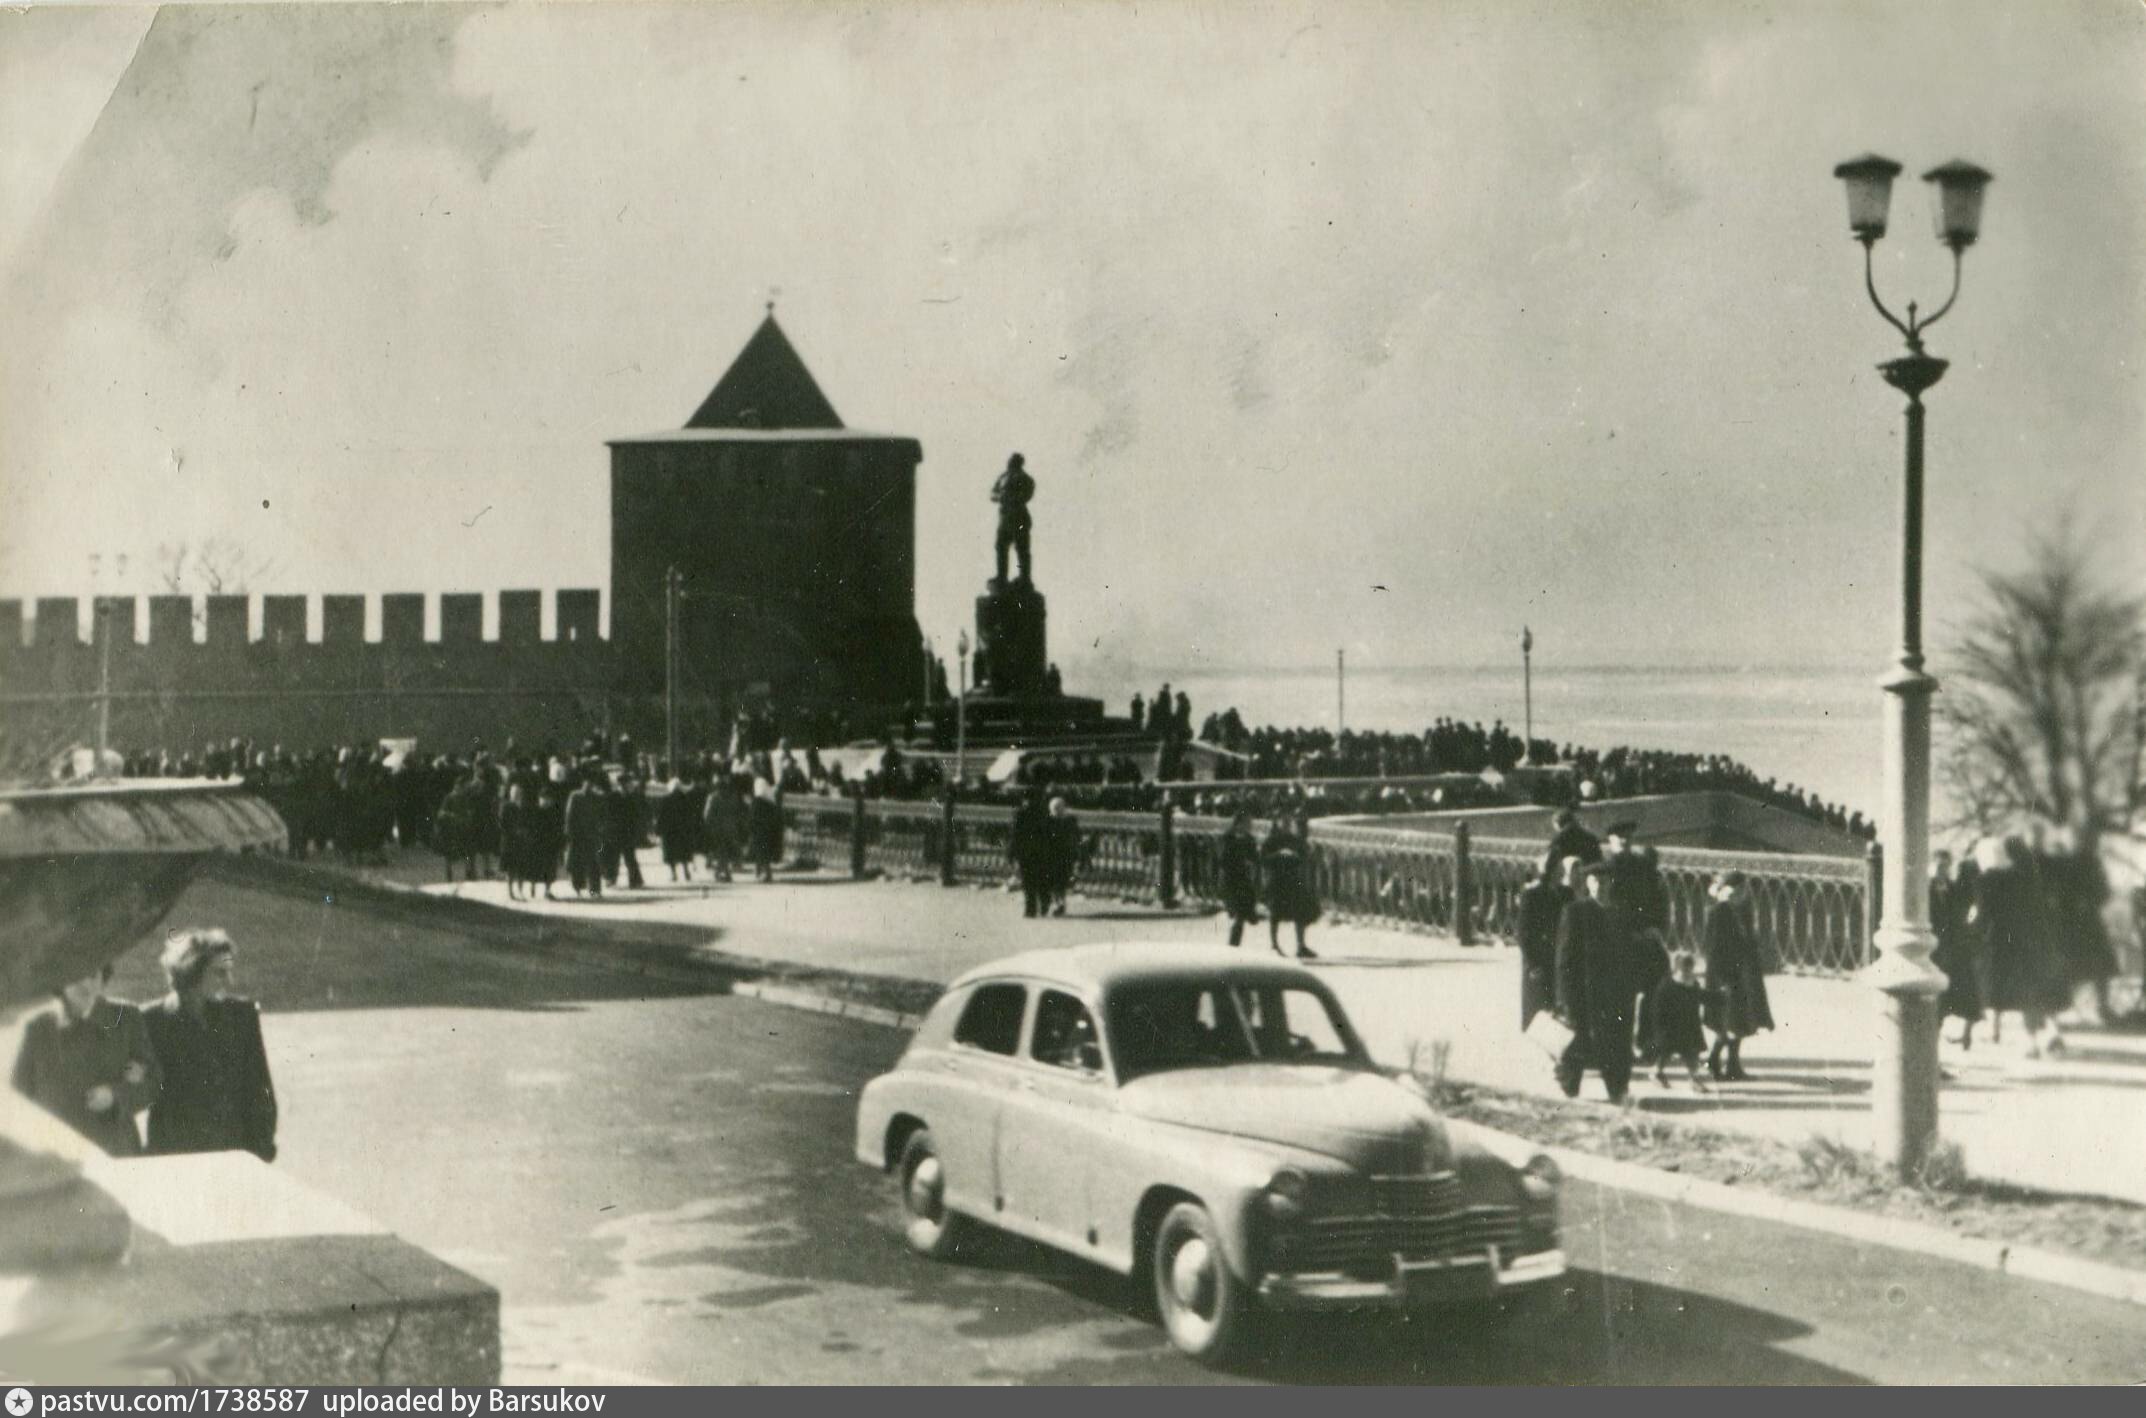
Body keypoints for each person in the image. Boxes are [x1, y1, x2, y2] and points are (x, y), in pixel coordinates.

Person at [142, 930, 278, 1162]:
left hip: (233, 1156)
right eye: (219, 973)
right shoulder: (151, 1019)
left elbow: (260, 1091)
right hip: (175, 1161)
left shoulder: (242, 1017)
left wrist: (258, 1153)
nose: (229, 981)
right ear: (191, 971)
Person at [11, 963, 163, 1156]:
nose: (85, 984)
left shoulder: (126, 1018)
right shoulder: (39, 1027)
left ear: (102, 977)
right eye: (77, 975)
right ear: (60, 980)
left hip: (113, 1148)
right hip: (57, 1152)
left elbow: (153, 1082)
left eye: (93, 974)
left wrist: (116, 1095)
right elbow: (20, 1095)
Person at [1971, 834, 2069, 1056]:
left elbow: (1983, 915)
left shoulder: (1986, 881)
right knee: (2037, 991)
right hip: (2034, 940)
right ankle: (2051, 1032)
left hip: (2001, 944)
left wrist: (1973, 927)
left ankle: (2028, 1041)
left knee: (2013, 991)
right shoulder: (2024, 877)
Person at [1554, 865, 1637, 1103]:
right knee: (1578, 1041)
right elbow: (1565, 959)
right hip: (1584, 991)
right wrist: (1566, 997)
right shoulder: (1575, 911)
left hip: (1614, 992)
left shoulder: (1620, 914)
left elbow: (1628, 954)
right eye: (1595, 881)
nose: (1600, 886)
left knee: (1617, 1041)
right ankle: (1570, 1088)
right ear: (1588, 884)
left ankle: (1617, 1089)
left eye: (1605, 881)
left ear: (1611, 883)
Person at [1700, 870, 1773, 1080]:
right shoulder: (1718, 912)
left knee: (1739, 1022)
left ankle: (1732, 1066)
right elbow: (1712, 950)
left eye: (1742, 890)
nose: (1740, 894)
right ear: (1722, 892)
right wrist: (1721, 979)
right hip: (1725, 976)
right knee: (1729, 1022)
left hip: (1742, 974)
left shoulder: (1741, 910)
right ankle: (1714, 1060)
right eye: (1734, 891)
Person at [1931, 849, 1984, 1048]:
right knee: (1937, 1007)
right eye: (1938, 866)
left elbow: (1970, 903)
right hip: (1935, 954)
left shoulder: (1954, 890)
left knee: (1964, 997)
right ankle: (1932, 1053)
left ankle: (1965, 1036)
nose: (1941, 870)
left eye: (1945, 867)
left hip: (1953, 952)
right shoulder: (1925, 891)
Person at [1516, 857, 1578, 1028]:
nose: (1562, 872)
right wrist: (1533, 962)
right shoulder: (1532, 894)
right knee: (1537, 1008)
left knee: (1557, 1008)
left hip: (1559, 957)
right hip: (1539, 960)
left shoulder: (1567, 893)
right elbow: (1523, 933)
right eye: (1558, 868)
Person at [1648, 947, 1712, 1091]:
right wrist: (1660, 1027)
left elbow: (1702, 996)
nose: (1687, 973)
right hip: (1671, 1027)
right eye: (1684, 970)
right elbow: (1658, 1008)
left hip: (1690, 1025)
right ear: (1676, 969)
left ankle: (1694, 1079)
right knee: (1665, 1053)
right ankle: (1657, 1072)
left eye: (1690, 970)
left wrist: (1719, 998)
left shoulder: (1692, 984)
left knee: (1692, 1054)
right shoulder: (1667, 985)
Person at [1259, 814, 1320, 960]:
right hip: (1276, 879)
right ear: (1278, 824)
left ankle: (1301, 945)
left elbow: (1304, 857)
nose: (1287, 826)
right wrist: (1278, 855)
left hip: (1293, 879)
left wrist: (1307, 853)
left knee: (1301, 911)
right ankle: (1274, 944)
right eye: (1284, 823)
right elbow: (1262, 860)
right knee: (1276, 912)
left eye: (1289, 823)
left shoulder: (1295, 840)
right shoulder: (1271, 840)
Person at [990, 453, 1036, 584]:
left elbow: (1027, 494)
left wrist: (1012, 498)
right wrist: (1000, 497)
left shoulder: (1025, 478)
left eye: (1013, 461)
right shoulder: (1003, 477)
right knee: (1000, 546)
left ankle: (1024, 578)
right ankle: (1001, 577)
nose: (1010, 463)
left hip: (1019, 517)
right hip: (1005, 518)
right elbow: (993, 493)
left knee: (1021, 548)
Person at [1218, 810, 1262, 947]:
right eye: (1247, 823)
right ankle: (1233, 944)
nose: (1250, 825)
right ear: (1239, 823)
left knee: (1241, 915)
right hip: (1230, 879)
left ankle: (1234, 944)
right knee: (1239, 913)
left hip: (1243, 880)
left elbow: (1255, 858)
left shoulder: (1249, 839)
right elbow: (1222, 858)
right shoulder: (1228, 837)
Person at [564, 770, 607, 899]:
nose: (588, 785)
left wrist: (601, 828)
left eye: (591, 783)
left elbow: (602, 814)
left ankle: (594, 890)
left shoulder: (597, 797)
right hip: (577, 834)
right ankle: (577, 888)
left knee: (593, 863)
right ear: (583, 783)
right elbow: (569, 815)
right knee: (576, 862)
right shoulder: (575, 796)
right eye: (586, 782)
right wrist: (568, 832)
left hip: (591, 834)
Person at [1010, 789, 1053, 918]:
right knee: (1041, 879)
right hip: (1040, 850)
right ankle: (1044, 903)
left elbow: (1015, 835)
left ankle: (1031, 908)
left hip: (1025, 852)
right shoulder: (1043, 813)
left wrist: (1012, 854)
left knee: (1028, 881)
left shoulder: (1019, 813)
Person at [657, 777, 701, 883]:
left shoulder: (666, 800)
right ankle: (686, 871)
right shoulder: (686, 799)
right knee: (684, 852)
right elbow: (691, 815)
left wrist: (658, 830)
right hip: (683, 830)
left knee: (670, 853)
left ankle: (673, 874)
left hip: (670, 831)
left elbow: (661, 816)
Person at [703, 774, 745, 883]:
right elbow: (738, 812)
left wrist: (707, 826)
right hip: (731, 827)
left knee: (721, 851)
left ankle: (721, 873)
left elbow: (707, 814)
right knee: (725, 850)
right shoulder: (733, 797)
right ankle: (724, 873)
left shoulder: (713, 797)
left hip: (717, 828)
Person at [1540, 808, 1601, 883]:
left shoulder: (1559, 839)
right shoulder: (1590, 837)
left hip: (1571, 878)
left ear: (1558, 824)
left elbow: (1550, 862)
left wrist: (1544, 879)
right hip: (1592, 875)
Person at [1045, 796, 1082, 916]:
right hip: (1060, 856)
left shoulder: (1050, 821)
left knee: (1057, 882)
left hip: (1060, 856)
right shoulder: (1069, 821)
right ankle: (1059, 903)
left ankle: (1058, 903)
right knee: (1057, 882)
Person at [748, 778, 785, 883]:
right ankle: (764, 873)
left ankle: (763, 873)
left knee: (760, 854)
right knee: (765, 854)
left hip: (758, 832)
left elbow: (752, 817)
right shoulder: (771, 801)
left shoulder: (756, 801)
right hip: (768, 832)